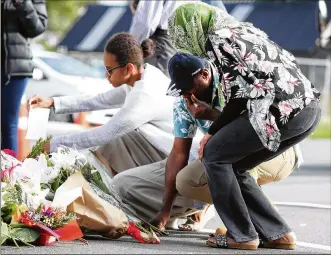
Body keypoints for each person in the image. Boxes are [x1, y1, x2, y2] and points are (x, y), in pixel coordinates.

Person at [166, 2, 321, 250]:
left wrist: (212, 133)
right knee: (236, 165)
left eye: (183, 36)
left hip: (281, 111)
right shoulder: (242, 31)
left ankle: (241, 235)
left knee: (215, 154)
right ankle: (277, 233)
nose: (185, 43)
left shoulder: (219, 41)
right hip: (307, 110)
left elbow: (239, 95)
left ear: (193, 28)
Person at [145, 52, 302, 232]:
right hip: (234, 155)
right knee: (186, 180)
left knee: (234, 161)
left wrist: (213, 116)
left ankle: (254, 227)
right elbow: (179, 153)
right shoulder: (183, 102)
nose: (186, 95)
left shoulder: (231, 79)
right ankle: (236, 217)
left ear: (204, 75)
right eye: (181, 90)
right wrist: (164, 212)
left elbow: (256, 128)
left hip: (277, 149)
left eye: (188, 88)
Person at [1, 0, 47, 153]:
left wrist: (22, 3)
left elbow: (37, 28)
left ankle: (7, 174)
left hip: (14, 68)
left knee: (8, 124)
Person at [129, 0, 197, 77]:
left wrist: (131, 46)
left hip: (162, 44)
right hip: (183, 40)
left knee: (155, 84)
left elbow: (146, 23)